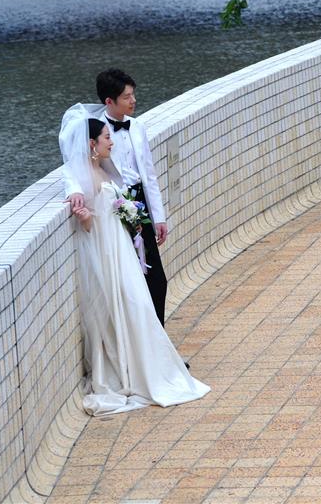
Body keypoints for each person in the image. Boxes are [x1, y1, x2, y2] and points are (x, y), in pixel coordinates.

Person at [59, 104, 209, 415]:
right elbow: (83, 211)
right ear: (91, 145)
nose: (110, 141)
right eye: (105, 138)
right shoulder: (79, 174)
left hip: (124, 248)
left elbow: (144, 177)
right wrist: (85, 214)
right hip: (109, 253)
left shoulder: (105, 167)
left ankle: (150, 361)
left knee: (141, 300)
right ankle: (132, 370)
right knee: (131, 302)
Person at [65, 69, 169, 328]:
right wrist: (74, 190)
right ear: (109, 101)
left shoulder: (138, 126)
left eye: (133, 95)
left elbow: (149, 174)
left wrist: (159, 217)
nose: (133, 101)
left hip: (139, 203)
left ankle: (159, 345)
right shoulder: (93, 130)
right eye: (126, 97)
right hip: (115, 207)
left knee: (156, 280)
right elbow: (72, 165)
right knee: (130, 282)